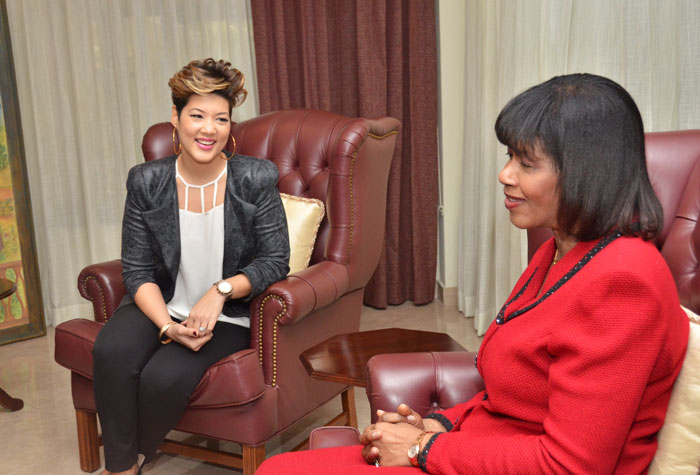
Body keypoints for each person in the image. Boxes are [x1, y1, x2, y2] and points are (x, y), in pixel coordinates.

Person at [256, 73, 689, 474]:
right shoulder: (561, 250)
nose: (505, 175)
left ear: (587, 173)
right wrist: (439, 423)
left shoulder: (624, 282)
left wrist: (421, 449)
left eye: (527, 164)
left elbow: (571, 465)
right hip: (484, 450)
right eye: (509, 157)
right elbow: (517, 400)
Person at [92, 58, 290, 475]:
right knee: (111, 350)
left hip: (227, 317)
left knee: (163, 376)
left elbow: (275, 260)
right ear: (175, 119)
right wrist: (167, 326)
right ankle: (121, 467)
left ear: (230, 126)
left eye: (221, 119)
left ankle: (135, 457)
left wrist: (220, 292)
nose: (209, 129)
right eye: (197, 115)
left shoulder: (256, 178)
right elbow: (138, 271)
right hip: (160, 303)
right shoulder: (146, 181)